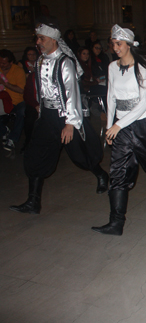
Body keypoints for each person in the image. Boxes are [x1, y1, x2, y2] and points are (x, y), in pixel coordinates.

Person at [9, 24, 108, 215]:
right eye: (37, 38)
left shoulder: (65, 63)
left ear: (53, 40)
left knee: (80, 154)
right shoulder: (39, 62)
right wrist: (40, 105)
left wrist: (70, 123)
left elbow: (72, 93)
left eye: (42, 39)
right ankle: (33, 201)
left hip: (66, 116)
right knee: (36, 154)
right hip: (46, 115)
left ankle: (101, 174)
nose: (38, 42)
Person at [91, 25, 146, 236]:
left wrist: (118, 124)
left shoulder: (142, 68)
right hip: (121, 127)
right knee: (118, 173)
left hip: (144, 124)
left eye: (118, 44)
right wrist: (110, 125)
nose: (115, 47)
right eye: (113, 43)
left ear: (129, 45)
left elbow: (144, 102)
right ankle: (116, 222)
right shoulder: (111, 67)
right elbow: (111, 97)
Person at [0, 49, 26, 151]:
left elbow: (21, 90)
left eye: (4, 63)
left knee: (22, 111)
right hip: (2, 99)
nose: (1, 65)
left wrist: (6, 84)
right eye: (0, 62)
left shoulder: (18, 71)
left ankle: (12, 138)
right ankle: (4, 131)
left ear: (11, 62)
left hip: (16, 101)